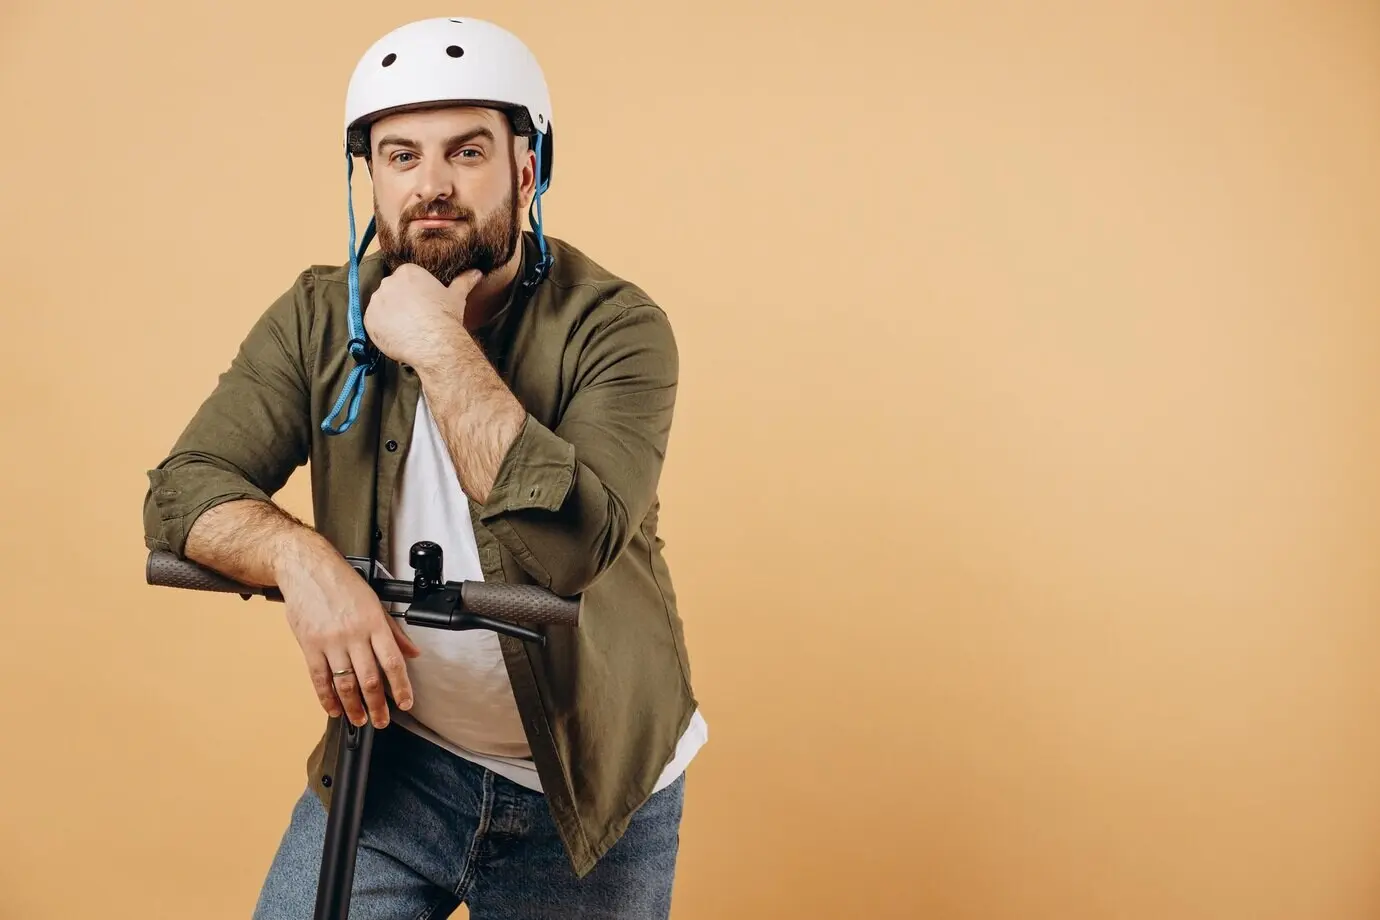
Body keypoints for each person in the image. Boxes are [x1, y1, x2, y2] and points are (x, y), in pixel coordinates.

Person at [141, 16, 707, 919]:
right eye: (400, 156)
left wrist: (438, 344)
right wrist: (304, 562)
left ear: (527, 168)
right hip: (395, 764)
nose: (431, 186)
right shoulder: (321, 316)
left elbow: (568, 553)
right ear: (369, 175)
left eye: (466, 151)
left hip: (589, 786)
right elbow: (185, 489)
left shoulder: (619, 328)